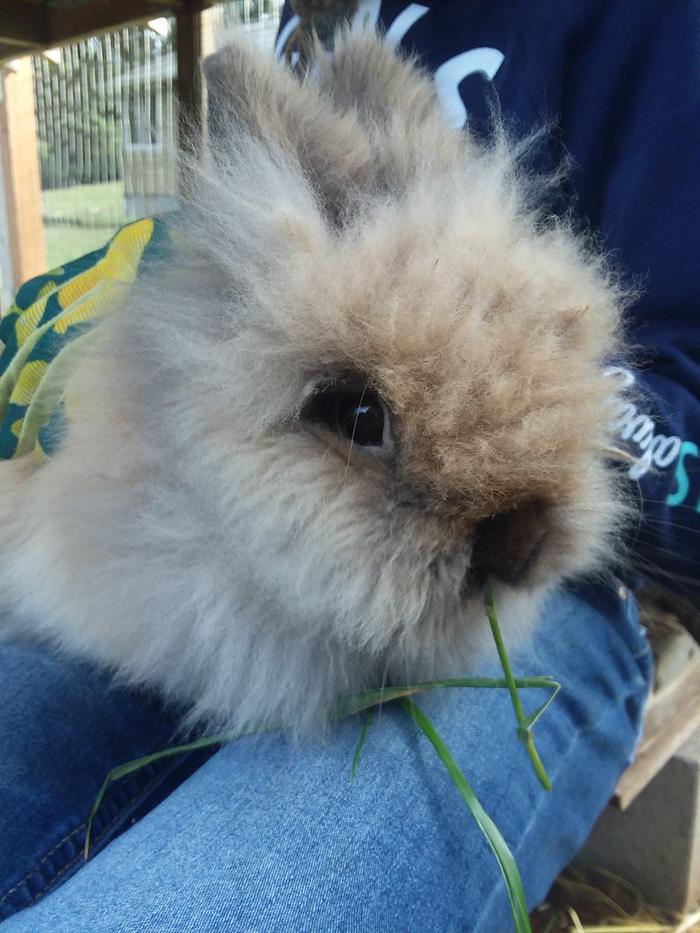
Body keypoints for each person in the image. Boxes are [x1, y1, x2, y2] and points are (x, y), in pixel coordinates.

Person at [1, 0, 697, 928]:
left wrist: (565, 402)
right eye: (359, 414)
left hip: (569, 604)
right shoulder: (315, 27)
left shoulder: (648, 27)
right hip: (223, 559)